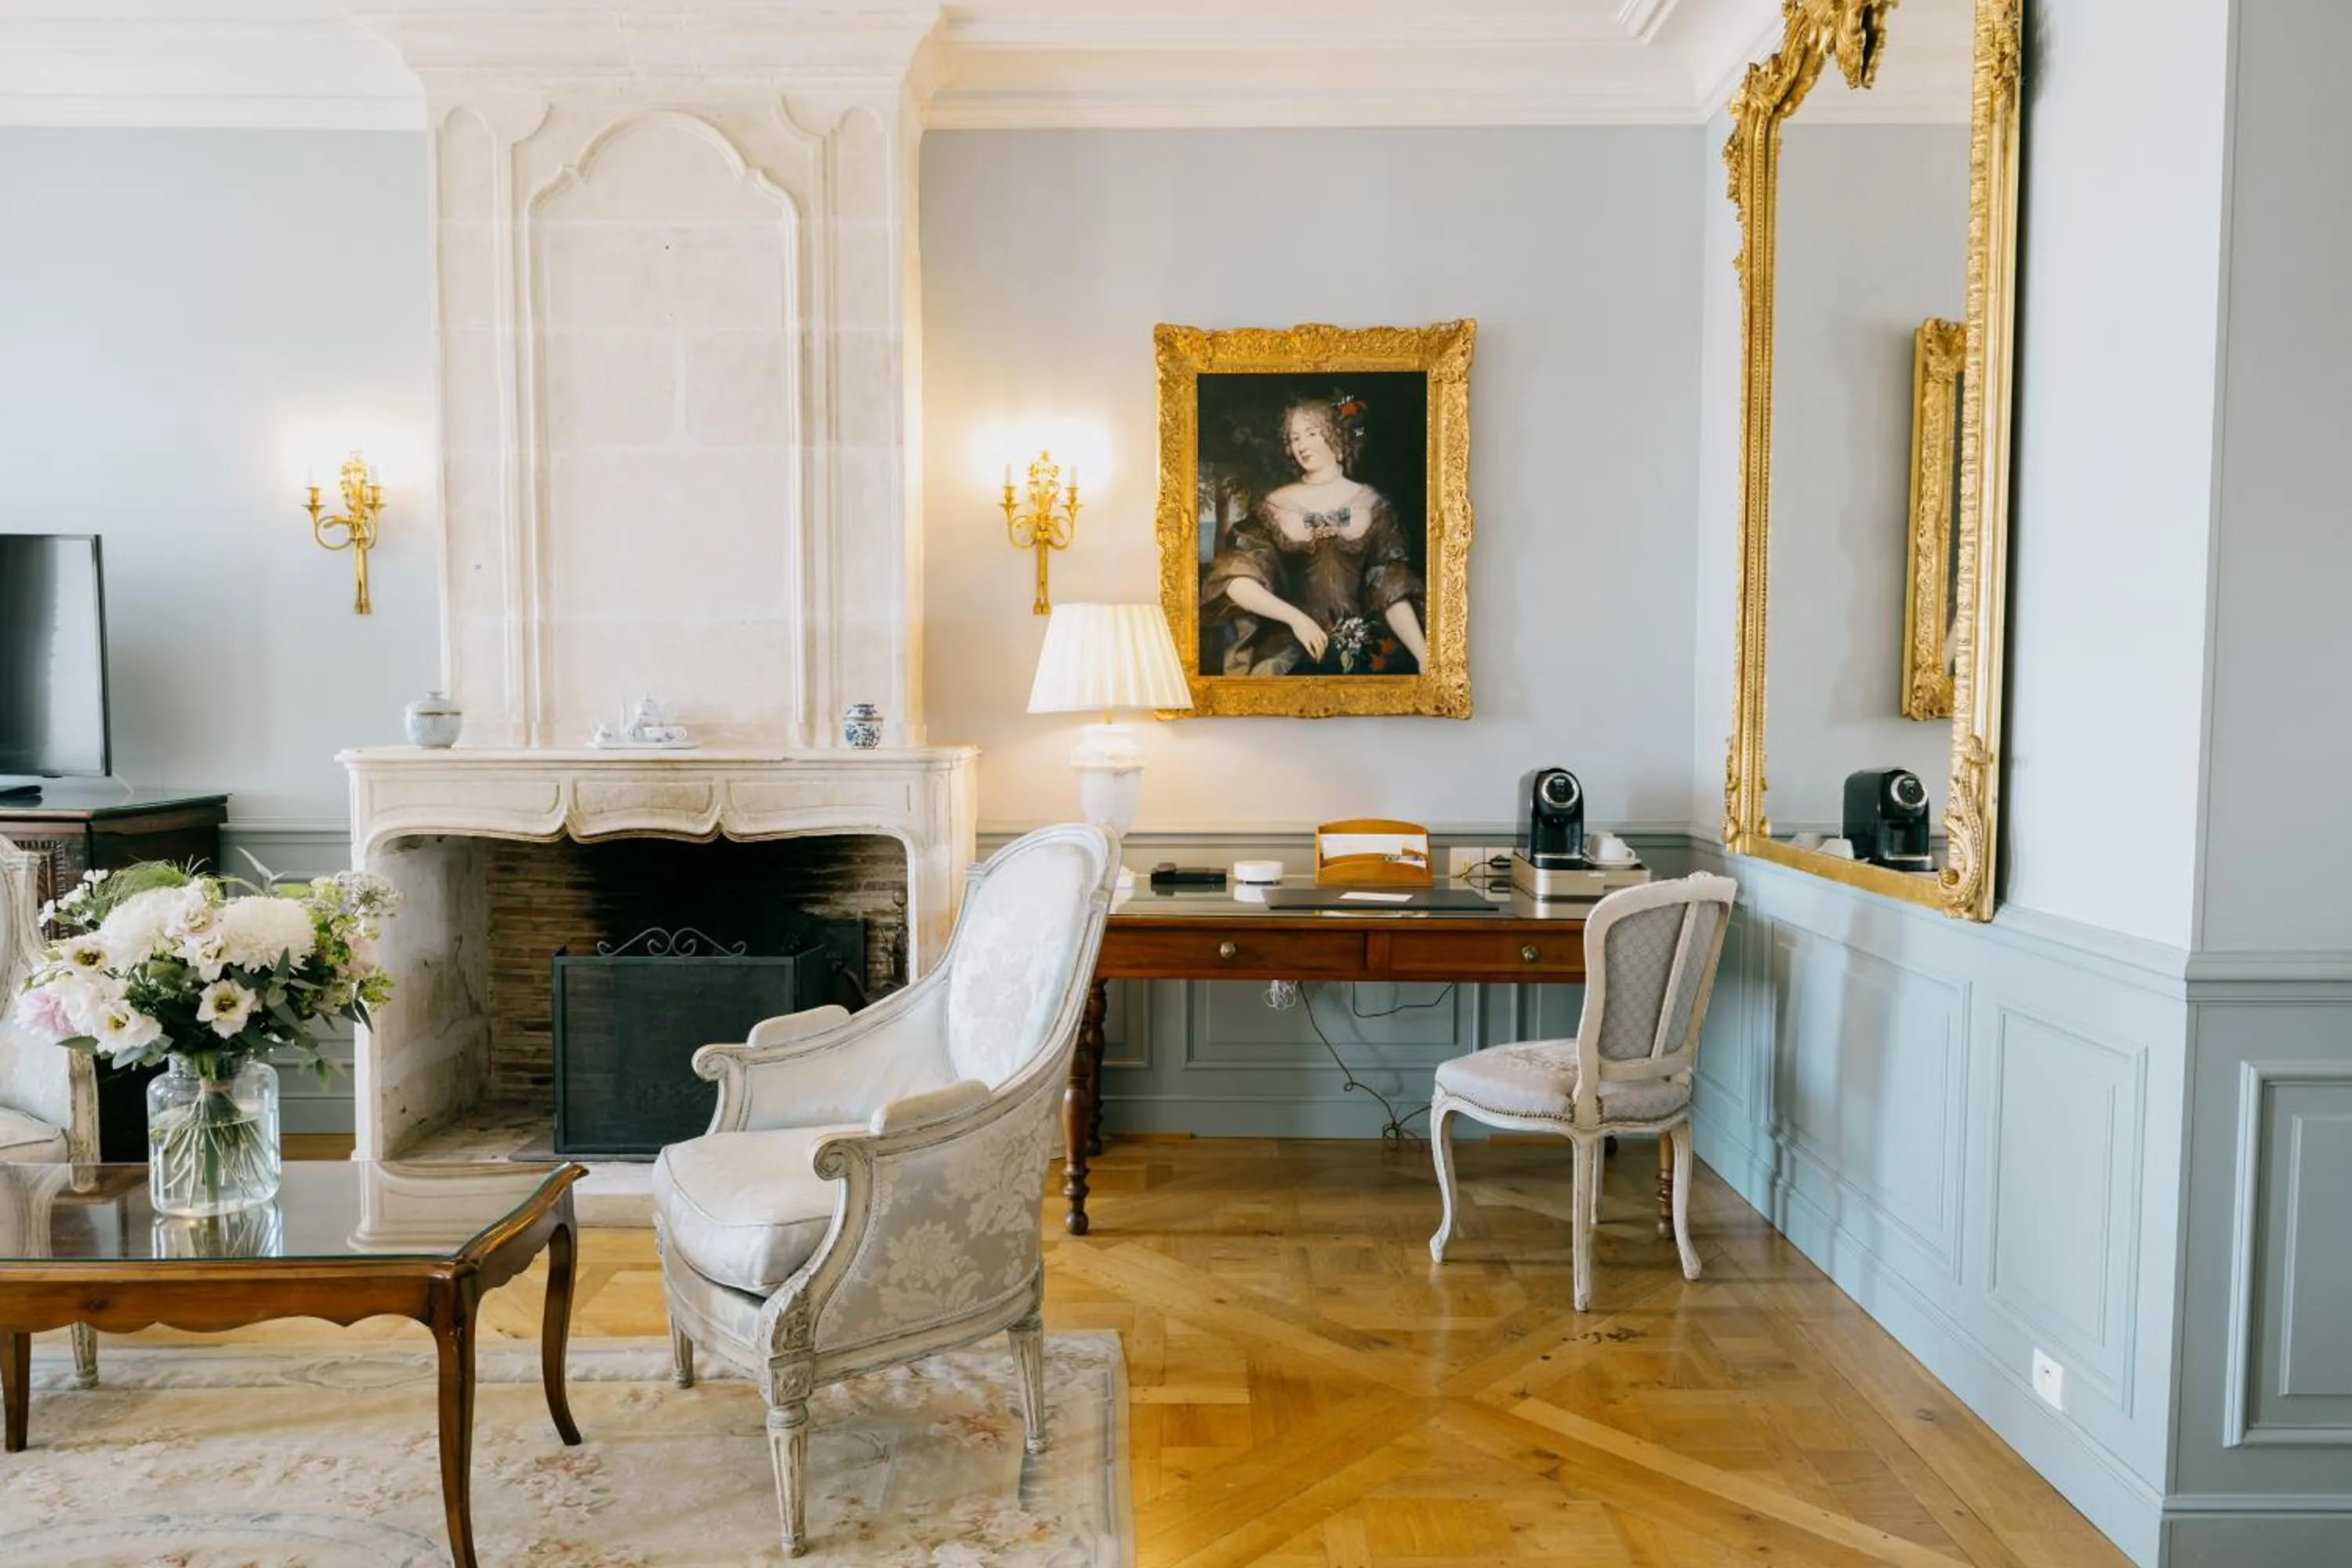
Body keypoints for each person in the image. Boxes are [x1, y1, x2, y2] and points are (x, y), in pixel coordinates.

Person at [1200, 394, 1428, 676]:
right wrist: (1296, 619)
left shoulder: (1371, 504)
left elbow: (1392, 591)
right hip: (1290, 647)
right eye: (1295, 438)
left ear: (1335, 436)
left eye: (1311, 433)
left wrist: (1423, 656)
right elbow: (1234, 581)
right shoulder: (1274, 505)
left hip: (1363, 648)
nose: (1302, 445)